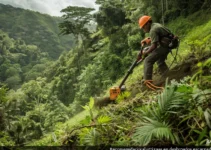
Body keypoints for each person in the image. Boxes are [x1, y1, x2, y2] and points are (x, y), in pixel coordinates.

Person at [138, 15, 171, 90]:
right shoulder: (155, 25)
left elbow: (154, 46)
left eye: (143, 27)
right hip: (168, 43)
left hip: (164, 46)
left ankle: (148, 81)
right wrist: (149, 39)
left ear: (147, 24)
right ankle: (168, 76)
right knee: (160, 61)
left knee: (148, 60)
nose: (143, 29)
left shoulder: (153, 30)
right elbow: (159, 36)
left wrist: (146, 53)